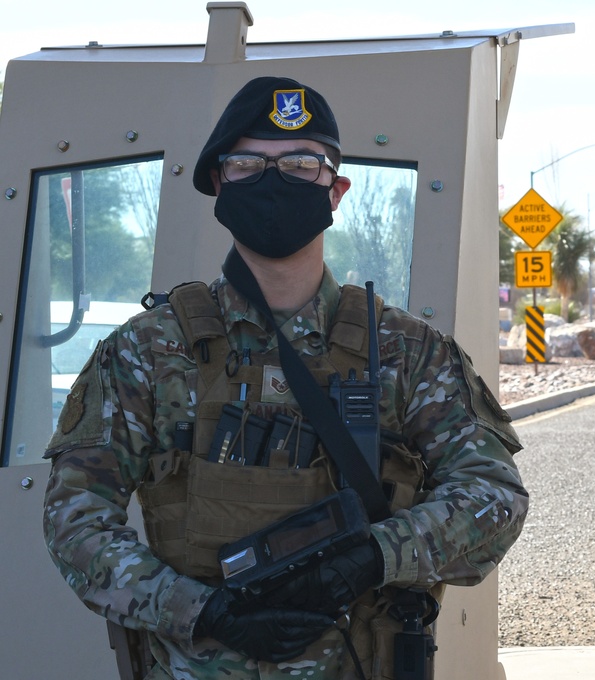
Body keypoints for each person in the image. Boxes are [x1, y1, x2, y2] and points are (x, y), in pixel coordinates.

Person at [42, 76, 528, 679]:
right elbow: (75, 517)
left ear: (337, 189)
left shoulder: (407, 352)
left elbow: (494, 496)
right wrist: (202, 610)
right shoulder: (148, 352)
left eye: (300, 164)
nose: (273, 180)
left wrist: (375, 556)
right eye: (248, 164)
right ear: (219, 184)